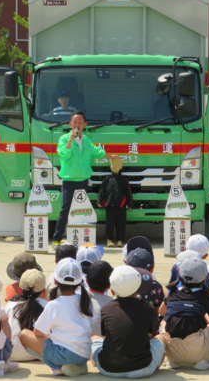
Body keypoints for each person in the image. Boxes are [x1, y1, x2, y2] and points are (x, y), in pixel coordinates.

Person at [51, 111, 119, 246]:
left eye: (80, 122)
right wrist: (71, 139)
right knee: (65, 210)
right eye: (75, 122)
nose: (77, 125)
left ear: (85, 125)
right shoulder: (64, 139)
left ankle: (80, 240)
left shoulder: (86, 140)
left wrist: (111, 156)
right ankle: (56, 240)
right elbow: (64, 155)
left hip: (82, 180)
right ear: (70, 124)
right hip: (69, 180)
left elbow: (96, 152)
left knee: (82, 210)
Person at [19, 257, 93, 376]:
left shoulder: (54, 305)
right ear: (80, 281)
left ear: (55, 281)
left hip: (65, 354)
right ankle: (72, 367)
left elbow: (37, 332)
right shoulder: (86, 300)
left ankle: (56, 366)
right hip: (84, 355)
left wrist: (50, 336)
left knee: (24, 335)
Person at [91, 265, 165, 378]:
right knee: (160, 338)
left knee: (95, 338)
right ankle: (156, 364)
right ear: (138, 288)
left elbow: (107, 336)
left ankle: (95, 361)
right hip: (143, 368)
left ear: (112, 290)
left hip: (108, 369)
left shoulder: (106, 309)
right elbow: (149, 336)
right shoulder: (147, 309)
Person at [161, 255, 209, 371]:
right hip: (196, 352)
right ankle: (204, 360)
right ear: (205, 279)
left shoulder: (173, 292)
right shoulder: (205, 296)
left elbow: (161, 311)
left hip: (173, 352)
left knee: (164, 321)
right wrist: (202, 314)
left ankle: (172, 361)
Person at [5, 268, 48, 361]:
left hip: (11, 353)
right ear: (43, 291)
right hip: (36, 353)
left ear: (20, 289)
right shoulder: (47, 306)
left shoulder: (10, 305)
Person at [98, 157, 133, 248]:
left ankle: (120, 240)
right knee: (109, 223)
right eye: (113, 164)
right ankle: (109, 239)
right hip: (109, 204)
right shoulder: (107, 179)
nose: (116, 166)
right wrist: (100, 201)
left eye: (118, 164)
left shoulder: (124, 179)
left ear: (121, 167)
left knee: (121, 223)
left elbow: (128, 192)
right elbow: (102, 191)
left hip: (121, 205)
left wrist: (130, 203)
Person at [86, 261, 113, 336]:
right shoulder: (114, 306)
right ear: (109, 285)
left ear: (86, 280)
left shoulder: (76, 300)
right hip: (102, 346)